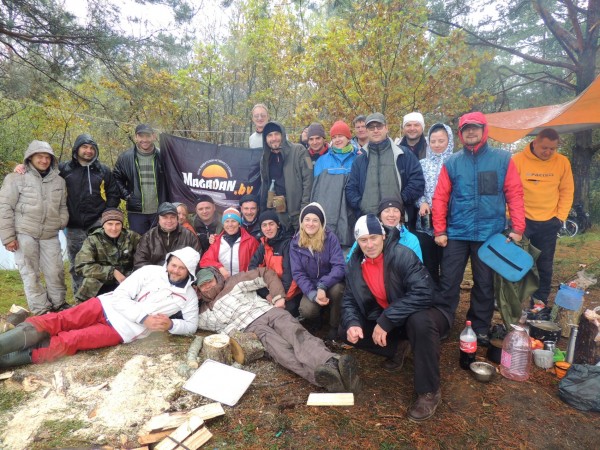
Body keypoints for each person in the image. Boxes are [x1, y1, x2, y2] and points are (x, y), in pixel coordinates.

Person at [0, 247, 200, 369]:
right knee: (59, 320)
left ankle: (6, 360)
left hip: (121, 330)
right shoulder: (150, 272)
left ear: (189, 271)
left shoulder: (188, 296)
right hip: (105, 305)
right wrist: (144, 318)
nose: (175, 271)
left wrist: (171, 324)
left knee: (71, 341)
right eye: (173, 265)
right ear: (168, 262)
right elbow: (120, 295)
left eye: (181, 268)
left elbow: (191, 325)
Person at [341, 214, 451, 422]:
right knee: (345, 329)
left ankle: (429, 391)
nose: (369, 244)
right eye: (363, 240)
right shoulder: (354, 265)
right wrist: (352, 323)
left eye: (373, 237)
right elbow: (349, 300)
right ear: (357, 242)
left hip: (429, 311)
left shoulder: (402, 254)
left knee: (419, 321)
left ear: (383, 235)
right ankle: (399, 347)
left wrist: (386, 320)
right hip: (393, 317)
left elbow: (424, 293)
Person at [433, 112, 525, 345]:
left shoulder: (502, 159)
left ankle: (480, 327)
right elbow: (440, 197)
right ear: (460, 133)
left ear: (484, 130)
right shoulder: (452, 162)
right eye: (466, 129)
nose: (471, 132)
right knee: (448, 282)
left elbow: (514, 193)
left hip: (489, 233)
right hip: (456, 232)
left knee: (484, 284)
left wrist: (517, 227)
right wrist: (440, 230)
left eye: (475, 127)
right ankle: (442, 323)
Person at [195, 266, 361, 393]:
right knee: (282, 352)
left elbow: (265, 273)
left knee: (297, 335)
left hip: (269, 312)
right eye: (203, 285)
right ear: (199, 291)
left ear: (217, 278)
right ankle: (326, 379)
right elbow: (185, 319)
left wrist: (278, 297)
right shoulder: (203, 313)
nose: (208, 287)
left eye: (210, 281)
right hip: (252, 330)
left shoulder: (234, 282)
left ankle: (331, 362)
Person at [13, 134, 121, 296]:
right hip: (73, 224)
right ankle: (80, 297)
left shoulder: (102, 170)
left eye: (92, 148)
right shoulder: (64, 169)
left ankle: (105, 296)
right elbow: (41, 172)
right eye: (84, 147)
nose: (88, 151)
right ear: (77, 149)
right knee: (77, 262)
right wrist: (23, 167)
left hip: (97, 222)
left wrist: (106, 215)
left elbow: (113, 192)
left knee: (103, 259)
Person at [0, 140, 69, 315]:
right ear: (30, 157)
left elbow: (62, 206)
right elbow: (5, 207)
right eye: (40, 156)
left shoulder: (59, 181)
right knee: (30, 273)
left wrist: (61, 222)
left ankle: (59, 304)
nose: (44, 160)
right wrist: (8, 237)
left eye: (47, 157)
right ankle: (41, 309)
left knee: (56, 271)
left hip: (50, 234)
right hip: (24, 232)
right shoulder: (16, 178)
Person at [512, 128, 574, 312]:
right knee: (514, 261)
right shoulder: (517, 160)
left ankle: (539, 304)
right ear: (535, 143)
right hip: (522, 220)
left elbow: (567, 191)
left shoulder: (562, 162)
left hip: (549, 221)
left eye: (552, 149)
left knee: (544, 265)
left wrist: (560, 217)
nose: (548, 152)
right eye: (544, 148)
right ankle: (510, 301)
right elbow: (510, 190)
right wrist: (511, 216)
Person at [345, 112, 425, 230]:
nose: (375, 130)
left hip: (398, 220)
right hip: (369, 222)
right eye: (371, 127)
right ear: (367, 131)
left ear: (386, 128)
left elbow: (417, 182)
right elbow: (351, 188)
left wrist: (401, 200)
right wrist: (361, 204)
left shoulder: (403, 154)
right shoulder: (360, 160)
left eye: (379, 126)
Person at [290, 203, 345, 340]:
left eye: (315, 220)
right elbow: (298, 273)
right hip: (311, 285)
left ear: (321, 223)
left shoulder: (330, 238)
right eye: (307, 219)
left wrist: (323, 285)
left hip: (330, 282)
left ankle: (334, 325)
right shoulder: (295, 243)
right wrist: (313, 294)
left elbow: (339, 266)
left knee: (338, 290)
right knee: (307, 311)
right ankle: (317, 317)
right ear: (302, 222)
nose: (310, 224)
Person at [73, 208, 141, 303]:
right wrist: (112, 272)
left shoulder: (132, 236)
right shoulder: (92, 240)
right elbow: (81, 266)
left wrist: (133, 276)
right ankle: (83, 308)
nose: (114, 228)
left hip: (126, 281)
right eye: (110, 224)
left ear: (122, 225)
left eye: (118, 224)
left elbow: (145, 257)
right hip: (102, 283)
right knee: (90, 281)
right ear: (103, 225)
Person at [311, 120, 361, 248]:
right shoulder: (322, 161)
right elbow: (316, 192)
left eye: (341, 136)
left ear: (348, 137)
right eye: (334, 137)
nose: (337, 140)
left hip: (352, 216)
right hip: (330, 217)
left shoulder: (359, 158)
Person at [415, 124, 454, 285]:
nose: (437, 145)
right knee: (429, 265)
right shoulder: (422, 164)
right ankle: (430, 295)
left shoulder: (455, 162)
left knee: (448, 267)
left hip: (449, 224)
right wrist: (422, 202)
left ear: (449, 141)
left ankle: (445, 297)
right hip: (426, 224)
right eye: (433, 141)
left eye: (441, 141)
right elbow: (416, 188)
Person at [112, 124, 167, 235]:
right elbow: (116, 178)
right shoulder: (126, 157)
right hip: (136, 212)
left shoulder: (163, 156)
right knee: (138, 242)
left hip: (159, 211)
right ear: (136, 137)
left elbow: (172, 179)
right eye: (141, 136)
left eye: (148, 136)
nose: (144, 140)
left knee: (159, 242)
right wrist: (127, 195)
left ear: (153, 136)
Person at [260, 121, 313, 232]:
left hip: (298, 213)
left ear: (283, 135)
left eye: (276, 134)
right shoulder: (265, 158)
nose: (273, 138)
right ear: (265, 139)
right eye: (269, 135)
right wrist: (265, 210)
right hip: (278, 213)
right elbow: (265, 184)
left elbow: (308, 181)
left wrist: (305, 208)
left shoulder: (299, 150)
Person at [248, 211, 301, 316]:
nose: (268, 228)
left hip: (289, 293)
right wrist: (266, 294)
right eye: (264, 225)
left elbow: (290, 276)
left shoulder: (288, 244)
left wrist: (280, 298)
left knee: (283, 313)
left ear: (278, 225)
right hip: (270, 290)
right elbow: (252, 269)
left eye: (271, 224)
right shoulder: (264, 244)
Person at [346, 198, 422, 262]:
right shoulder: (367, 234)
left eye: (396, 210)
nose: (391, 214)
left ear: (401, 215)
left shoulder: (411, 239)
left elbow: (417, 266)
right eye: (387, 211)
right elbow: (350, 262)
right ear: (380, 215)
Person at [134, 202, 201, 269]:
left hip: (180, 272)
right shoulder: (148, 237)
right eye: (165, 217)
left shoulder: (189, 235)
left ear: (177, 218)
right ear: (158, 219)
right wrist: (159, 272)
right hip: (155, 273)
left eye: (172, 217)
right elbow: (139, 262)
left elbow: (197, 258)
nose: (169, 221)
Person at [200, 207, 259, 278]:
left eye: (233, 221)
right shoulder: (217, 242)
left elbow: (259, 263)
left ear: (239, 224)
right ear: (223, 224)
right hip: (223, 281)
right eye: (227, 221)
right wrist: (219, 267)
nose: (230, 224)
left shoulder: (251, 241)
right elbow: (204, 261)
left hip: (244, 281)